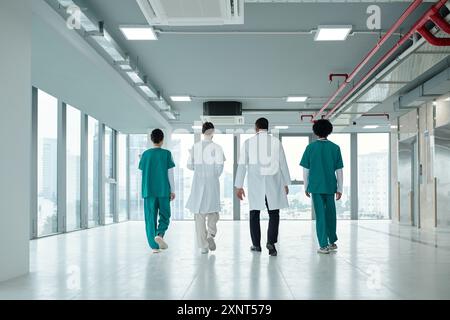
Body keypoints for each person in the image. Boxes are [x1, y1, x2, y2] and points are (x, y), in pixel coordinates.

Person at [235, 118, 291, 256]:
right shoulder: (275, 142)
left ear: (256, 128)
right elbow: (283, 163)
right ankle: (271, 242)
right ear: (268, 127)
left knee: (254, 214)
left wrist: (239, 186)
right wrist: (286, 183)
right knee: (274, 213)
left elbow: (242, 165)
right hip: (273, 181)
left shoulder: (248, 143)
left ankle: (256, 245)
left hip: (255, 183)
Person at [300, 119, 343, 254]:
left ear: (315, 131)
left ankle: (323, 245)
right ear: (329, 131)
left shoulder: (310, 148)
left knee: (320, 216)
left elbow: (306, 170)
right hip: (330, 186)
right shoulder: (335, 148)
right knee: (331, 213)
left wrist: (306, 186)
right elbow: (339, 170)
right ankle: (332, 241)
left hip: (316, 187)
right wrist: (340, 188)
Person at [186, 122, 225, 254]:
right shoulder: (218, 148)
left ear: (203, 132)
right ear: (212, 132)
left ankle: (203, 247)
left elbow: (189, 166)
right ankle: (211, 234)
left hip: (198, 183)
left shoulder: (195, 147)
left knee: (199, 216)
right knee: (214, 213)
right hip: (212, 183)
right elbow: (220, 168)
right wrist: (213, 175)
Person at [139, 129, 176, 254]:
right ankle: (160, 234)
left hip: (148, 190)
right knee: (165, 215)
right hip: (163, 190)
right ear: (162, 139)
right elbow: (170, 174)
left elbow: (142, 174)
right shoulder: (167, 154)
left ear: (151, 139)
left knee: (150, 218)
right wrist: (173, 190)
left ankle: (154, 246)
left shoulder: (145, 155)